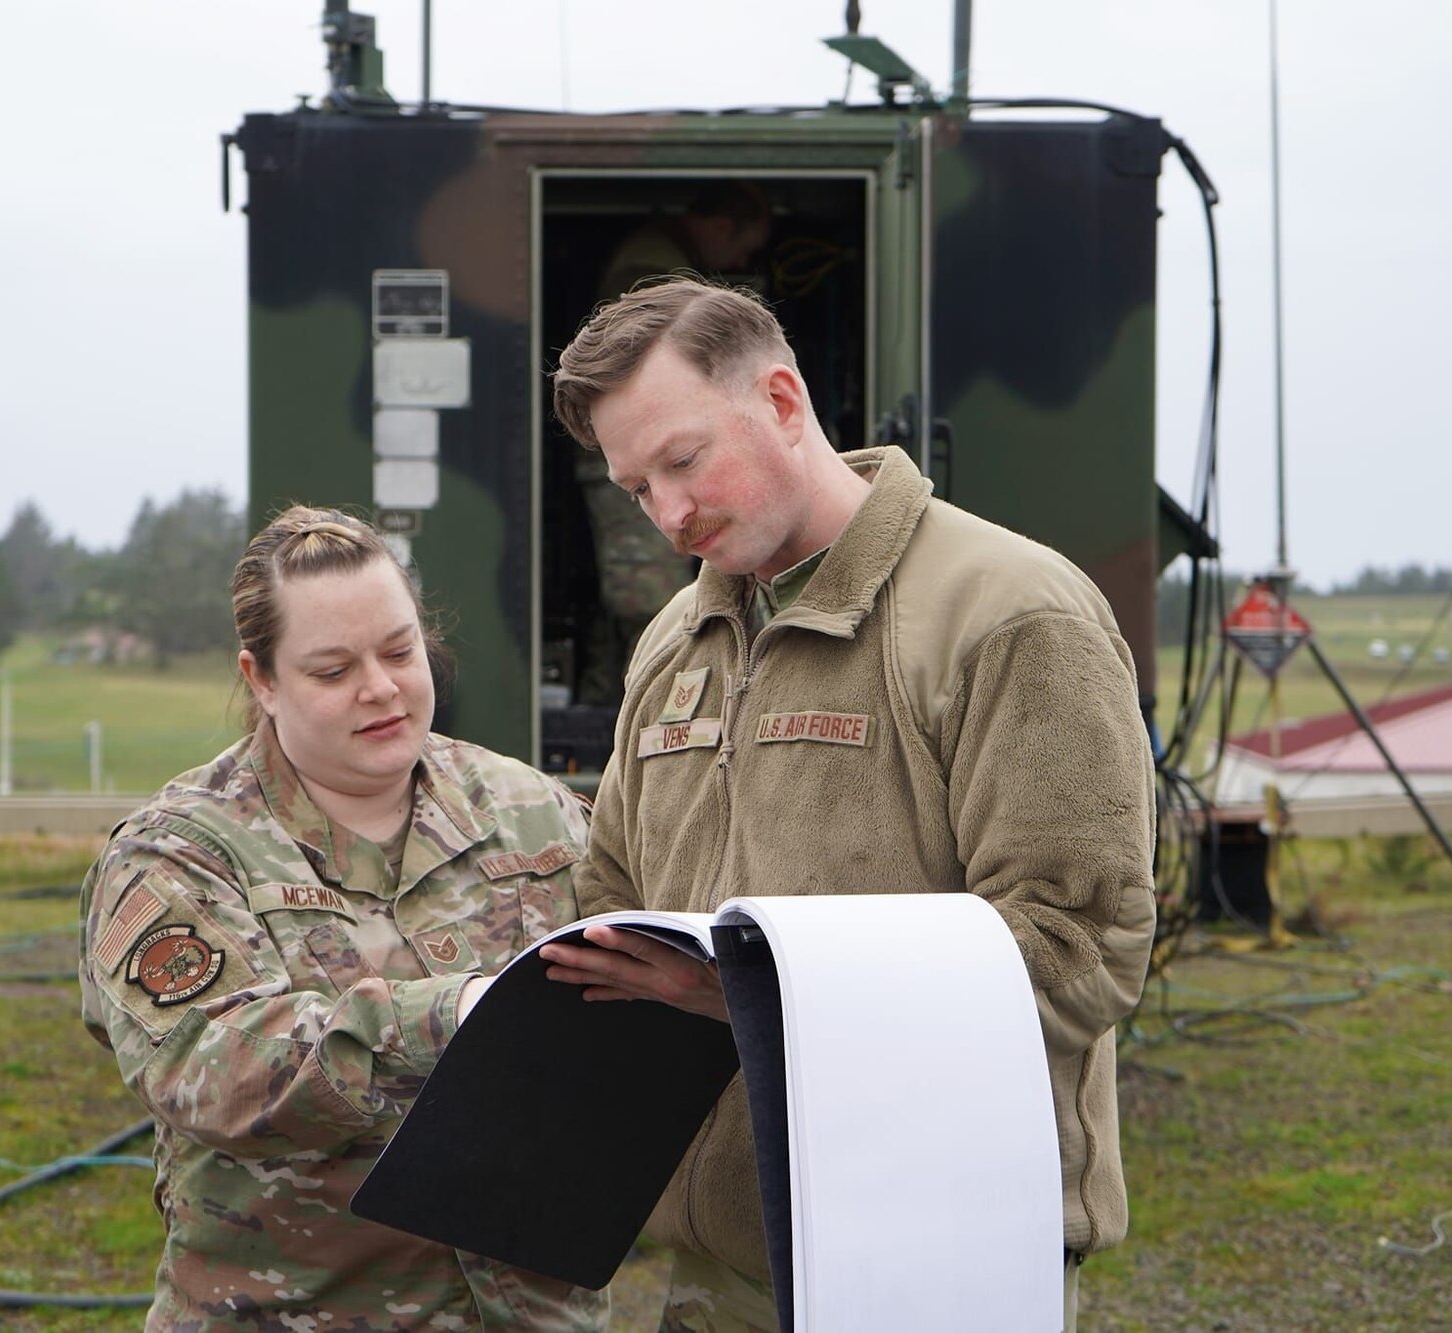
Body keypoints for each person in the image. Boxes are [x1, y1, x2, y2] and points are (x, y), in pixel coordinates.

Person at [541, 278, 1157, 1333]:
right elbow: (618, 898)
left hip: (932, 1251)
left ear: (781, 401)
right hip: (720, 1256)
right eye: (636, 487)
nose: (669, 515)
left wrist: (745, 995)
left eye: (683, 462)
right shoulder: (671, 643)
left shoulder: (1008, 612)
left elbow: (1079, 947)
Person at [77, 505, 609, 1332]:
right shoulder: (178, 853)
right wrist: (456, 1014)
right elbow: (208, 1066)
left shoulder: (532, 812)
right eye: (332, 670)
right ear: (261, 678)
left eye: (400, 651)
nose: (381, 688)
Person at [571, 183, 773, 706]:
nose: (742, 260)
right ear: (721, 226)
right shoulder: (654, 271)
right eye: (744, 246)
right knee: (646, 596)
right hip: (632, 453)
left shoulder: (657, 257)